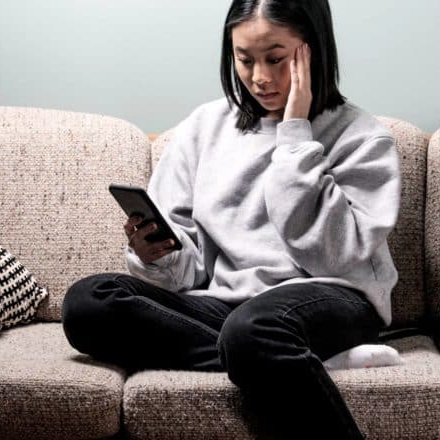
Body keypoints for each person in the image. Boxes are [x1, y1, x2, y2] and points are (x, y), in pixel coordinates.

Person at [61, 0, 402, 438]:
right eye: (245, 59)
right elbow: (190, 269)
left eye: (276, 59)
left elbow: (334, 256)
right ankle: (287, 359)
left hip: (334, 297)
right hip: (228, 310)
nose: (260, 77)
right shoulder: (204, 127)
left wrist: (295, 135)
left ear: (313, 49)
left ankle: (269, 349)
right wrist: (157, 255)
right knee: (89, 302)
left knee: (255, 329)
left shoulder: (362, 137)